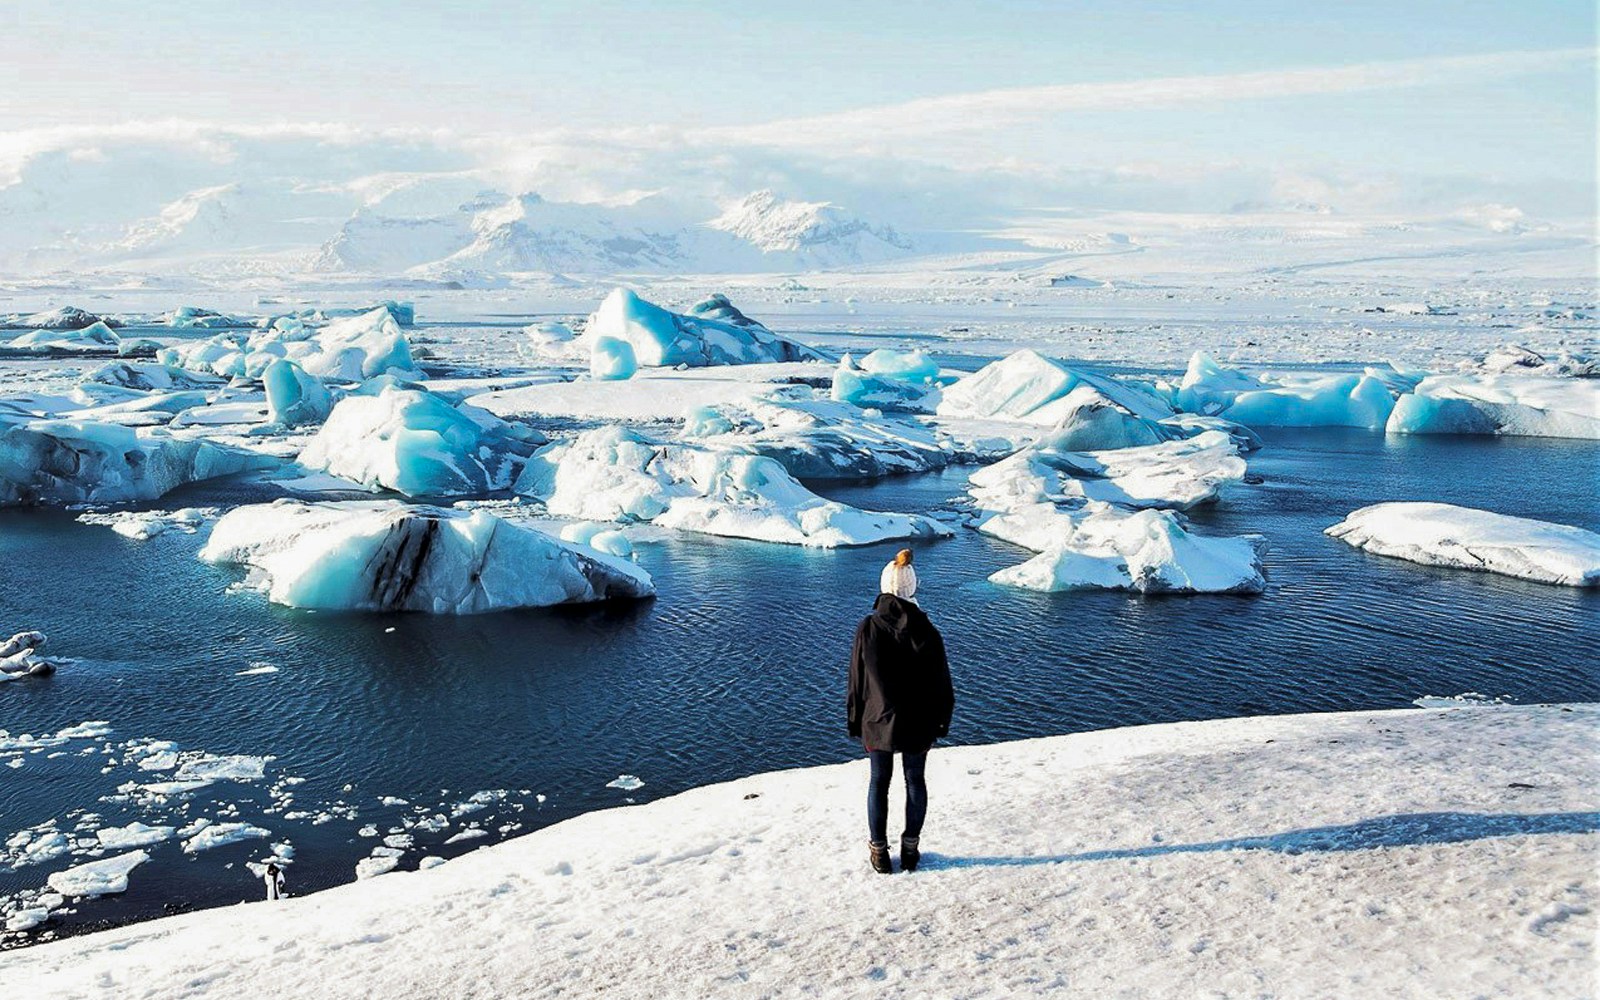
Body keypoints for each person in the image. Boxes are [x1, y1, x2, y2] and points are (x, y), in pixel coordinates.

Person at [848, 550, 953, 874]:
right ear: (912, 587)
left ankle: (879, 851)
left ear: (884, 585)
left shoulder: (868, 627)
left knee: (879, 781)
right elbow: (941, 682)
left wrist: (855, 721)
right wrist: (941, 721)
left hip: (877, 719)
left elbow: (856, 679)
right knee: (915, 780)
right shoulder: (928, 630)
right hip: (919, 721)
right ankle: (910, 848)